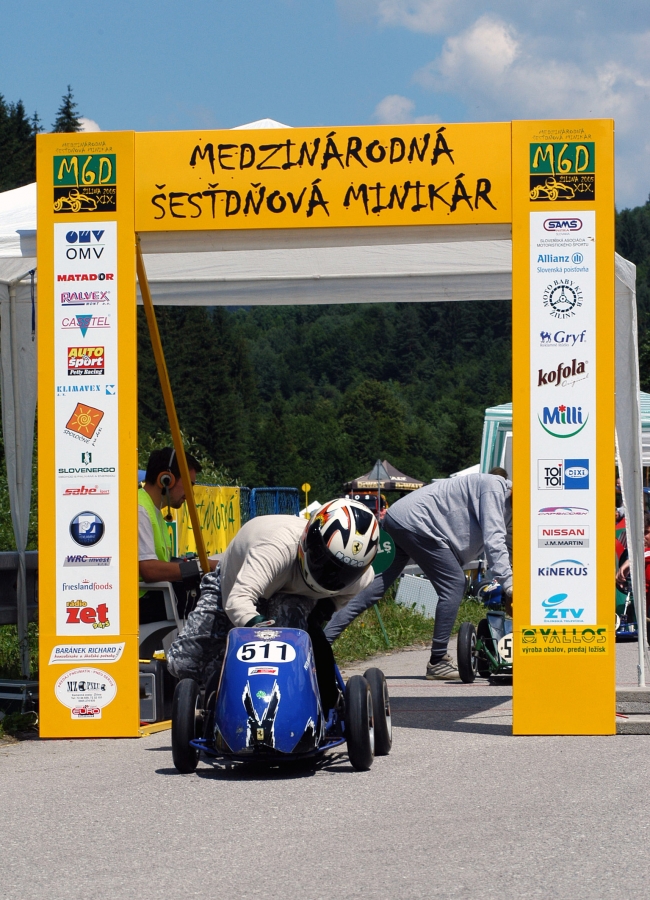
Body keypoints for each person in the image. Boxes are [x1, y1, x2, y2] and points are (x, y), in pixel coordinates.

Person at [166, 498, 379, 712]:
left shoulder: (362, 577)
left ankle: (299, 699)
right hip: (236, 584)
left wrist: (318, 616)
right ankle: (218, 695)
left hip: (295, 597)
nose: (331, 575)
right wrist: (258, 629)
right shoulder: (274, 548)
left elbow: (338, 599)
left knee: (288, 642)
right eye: (325, 563)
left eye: (343, 571)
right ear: (309, 542)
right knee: (183, 663)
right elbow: (238, 599)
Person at [323, 472, 513, 681]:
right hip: (418, 523)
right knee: (454, 583)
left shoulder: (514, 509)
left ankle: (319, 644)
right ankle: (438, 660)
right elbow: (494, 540)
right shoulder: (494, 488)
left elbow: (511, 547)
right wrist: (509, 585)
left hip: (401, 519)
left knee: (371, 590)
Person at [139, 447, 217, 628]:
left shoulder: (150, 509)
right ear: (165, 479)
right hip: (141, 601)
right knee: (213, 600)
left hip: (152, 595)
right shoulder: (140, 510)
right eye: (189, 485)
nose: (190, 493)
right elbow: (149, 570)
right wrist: (202, 567)